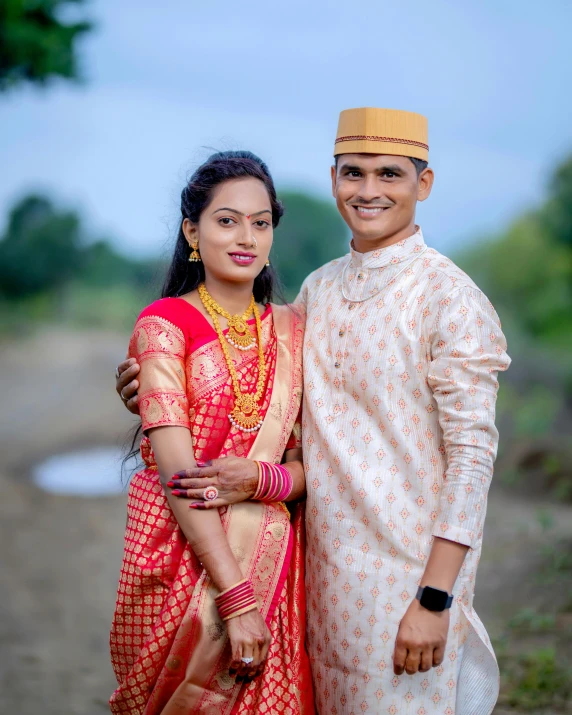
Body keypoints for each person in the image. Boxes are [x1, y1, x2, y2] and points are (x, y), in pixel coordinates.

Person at [118, 108, 510, 715]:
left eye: (391, 175)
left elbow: (472, 459)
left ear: (423, 185)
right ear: (333, 181)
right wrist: (151, 387)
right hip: (312, 579)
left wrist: (435, 598)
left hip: (406, 579)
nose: (370, 191)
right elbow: (293, 429)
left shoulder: (450, 300)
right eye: (354, 173)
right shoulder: (318, 295)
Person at [109, 150, 314, 714]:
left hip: (272, 558)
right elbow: (177, 476)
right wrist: (235, 596)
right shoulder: (163, 326)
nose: (246, 235)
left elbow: (317, 468)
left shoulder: (295, 331)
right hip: (178, 560)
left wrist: (262, 480)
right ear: (191, 230)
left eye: (261, 221)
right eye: (227, 220)